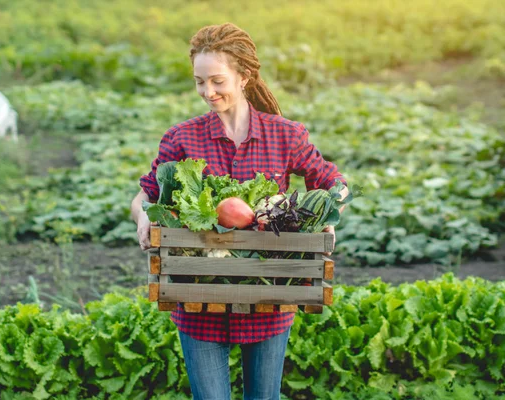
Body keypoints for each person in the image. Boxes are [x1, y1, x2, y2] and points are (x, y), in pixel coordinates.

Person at [131, 23, 348, 400]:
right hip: (198, 297)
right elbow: (145, 195)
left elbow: (333, 183)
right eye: (199, 82)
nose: (207, 92)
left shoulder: (286, 135)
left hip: (268, 299)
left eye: (217, 81)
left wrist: (326, 220)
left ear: (244, 76)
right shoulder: (183, 137)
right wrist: (144, 217)